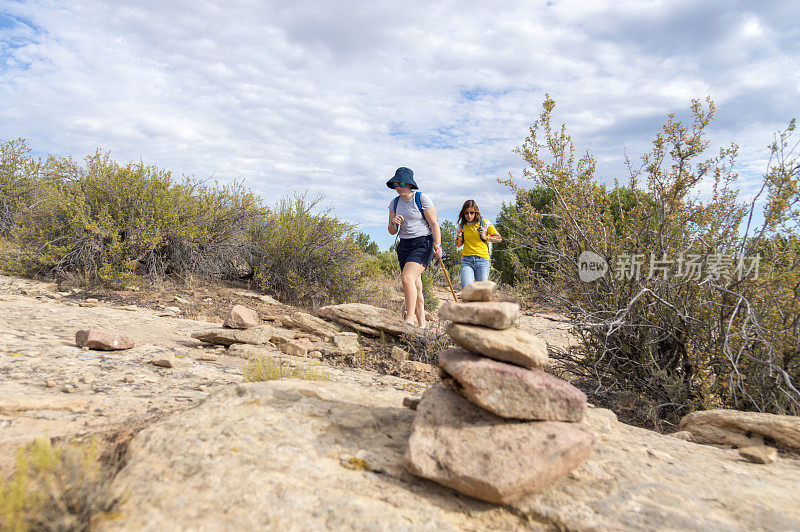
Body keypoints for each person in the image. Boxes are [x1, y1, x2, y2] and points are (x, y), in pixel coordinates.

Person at [387, 167, 442, 327]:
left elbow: (434, 224)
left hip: (423, 243)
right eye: (396, 183)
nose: (399, 186)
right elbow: (391, 232)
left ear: (410, 184)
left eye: (402, 182)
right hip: (404, 245)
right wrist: (393, 222)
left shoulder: (421, 198)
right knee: (415, 285)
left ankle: (408, 320)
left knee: (407, 278)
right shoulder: (394, 203)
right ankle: (423, 326)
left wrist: (438, 245)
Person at [455, 199, 501, 288]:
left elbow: (499, 239)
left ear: (476, 212)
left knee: (482, 290)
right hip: (466, 260)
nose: (469, 215)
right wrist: (459, 237)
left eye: (471, 212)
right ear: (463, 213)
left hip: (482, 260)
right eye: (466, 213)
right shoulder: (461, 226)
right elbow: (458, 245)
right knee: (467, 289)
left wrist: (486, 237)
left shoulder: (484, 223)